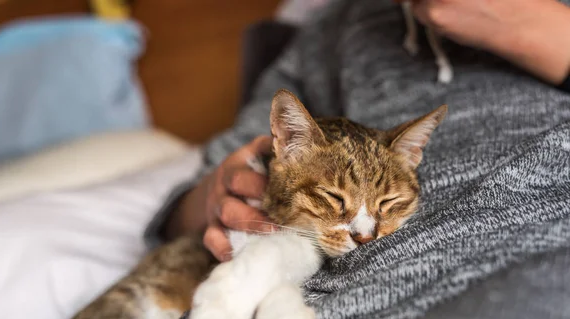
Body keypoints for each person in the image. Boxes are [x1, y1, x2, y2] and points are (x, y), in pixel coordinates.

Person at [146, 0, 570, 261]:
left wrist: (532, 26)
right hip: (339, 279)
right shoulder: (332, 27)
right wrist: (217, 195)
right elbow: (182, 212)